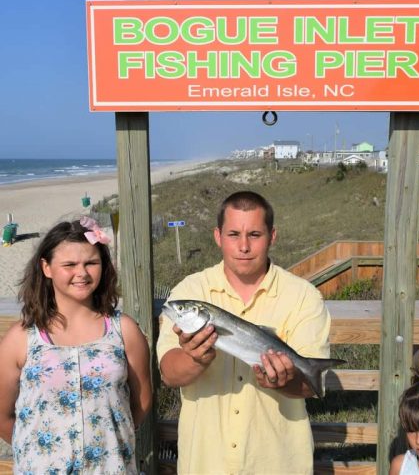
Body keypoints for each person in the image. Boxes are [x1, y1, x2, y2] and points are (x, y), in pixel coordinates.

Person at [157, 190, 332, 474]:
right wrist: (195, 359)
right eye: (233, 234)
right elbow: (168, 373)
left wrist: (282, 380)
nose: (243, 246)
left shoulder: (303, 296)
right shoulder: (190, 290)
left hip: (277, 463)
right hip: (206, 463)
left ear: (272, 237)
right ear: (217, 236)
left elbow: (307, 388)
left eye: (254, 235)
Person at [0, 217, 152, 474]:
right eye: (69, 264)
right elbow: (2, 415)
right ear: (46, 268)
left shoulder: (123, 330)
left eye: (91, 263)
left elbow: (142, 399)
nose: (81, 273)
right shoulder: (22, 337)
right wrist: (39, 451)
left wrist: (111, 440)